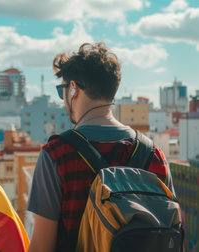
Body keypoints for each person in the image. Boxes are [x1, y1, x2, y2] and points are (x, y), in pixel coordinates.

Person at [26, 42, 175, 251]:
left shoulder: (56, 154)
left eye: (62, 91)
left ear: (73, 89)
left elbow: (42, 247)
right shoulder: (154, 154)